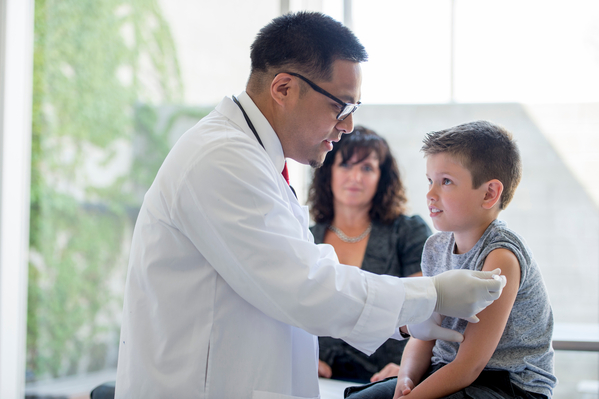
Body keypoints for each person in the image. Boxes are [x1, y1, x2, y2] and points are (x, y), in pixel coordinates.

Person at [115, 12, 506, 399]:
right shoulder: (220, 158)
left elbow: (305, 275)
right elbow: (304, 287)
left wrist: (410, 317)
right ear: (284, 88)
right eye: (342, 106)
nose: (348, 126)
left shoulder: (253, 158)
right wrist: (430, 296)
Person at [345, 121, 556, 399]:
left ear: (489, 193)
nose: (430, 194)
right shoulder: (435, 248)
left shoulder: (501, 256)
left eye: (446, 182)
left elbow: (470, 365)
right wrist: (406, 380)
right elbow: (424, 334)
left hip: (507, 385)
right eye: (429, 181)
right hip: (445, 369)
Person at [308, 126, 432, 383]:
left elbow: (428, 309)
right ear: (328, 172)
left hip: (391, 379)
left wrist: (411, 368)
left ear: (382, 177)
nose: (355, 177)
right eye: (345, 165)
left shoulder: (408, 232)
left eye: (366, 168)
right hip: (319, 380)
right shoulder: (305, 237)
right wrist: (302, 357)